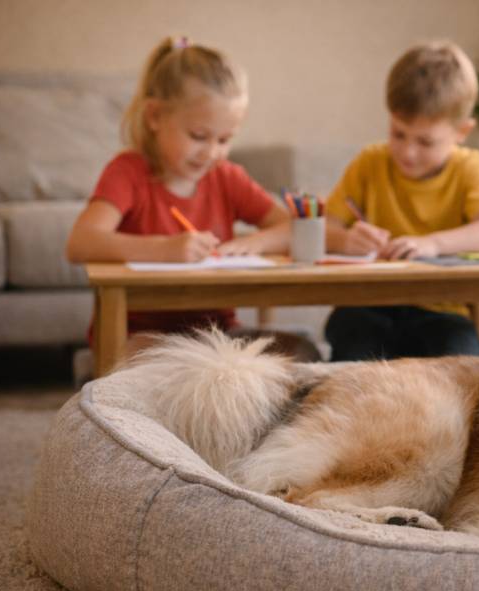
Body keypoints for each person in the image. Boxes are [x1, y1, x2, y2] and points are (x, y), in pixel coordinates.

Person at [66, 36, 319, 362]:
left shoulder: (227, 176)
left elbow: (292, 226)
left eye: (225, 139)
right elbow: (80, 242)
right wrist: (163, 250)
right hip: (139, 336)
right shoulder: (127, 172)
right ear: (155, 116)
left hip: (217, 335)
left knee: (303, 353)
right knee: (164, 367)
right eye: (199, 137)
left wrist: (255, 243)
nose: (212, 152)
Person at [321, 40, 479, 362]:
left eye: (425, 141)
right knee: (350, 344)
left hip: (442, 310)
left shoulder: (473, 168)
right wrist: (345, 238)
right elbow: (323, 226)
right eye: (398, 133)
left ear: (462, 131)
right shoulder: (369, 162)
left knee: (462, 359)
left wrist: (433, 243)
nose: (407, 152)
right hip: (368, 306)